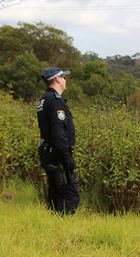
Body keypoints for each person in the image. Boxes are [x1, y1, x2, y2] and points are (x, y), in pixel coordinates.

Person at [36, 67, 80, 215]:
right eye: (63, 77)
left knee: (55, 194)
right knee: (70, 195)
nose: (65, 80)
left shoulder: (43, 100)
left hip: (47, 151)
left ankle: (52, 226)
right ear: (57, 79)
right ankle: (64, 230)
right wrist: (67, 157)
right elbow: (58, 131)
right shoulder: (56, 102)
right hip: (57, 153)